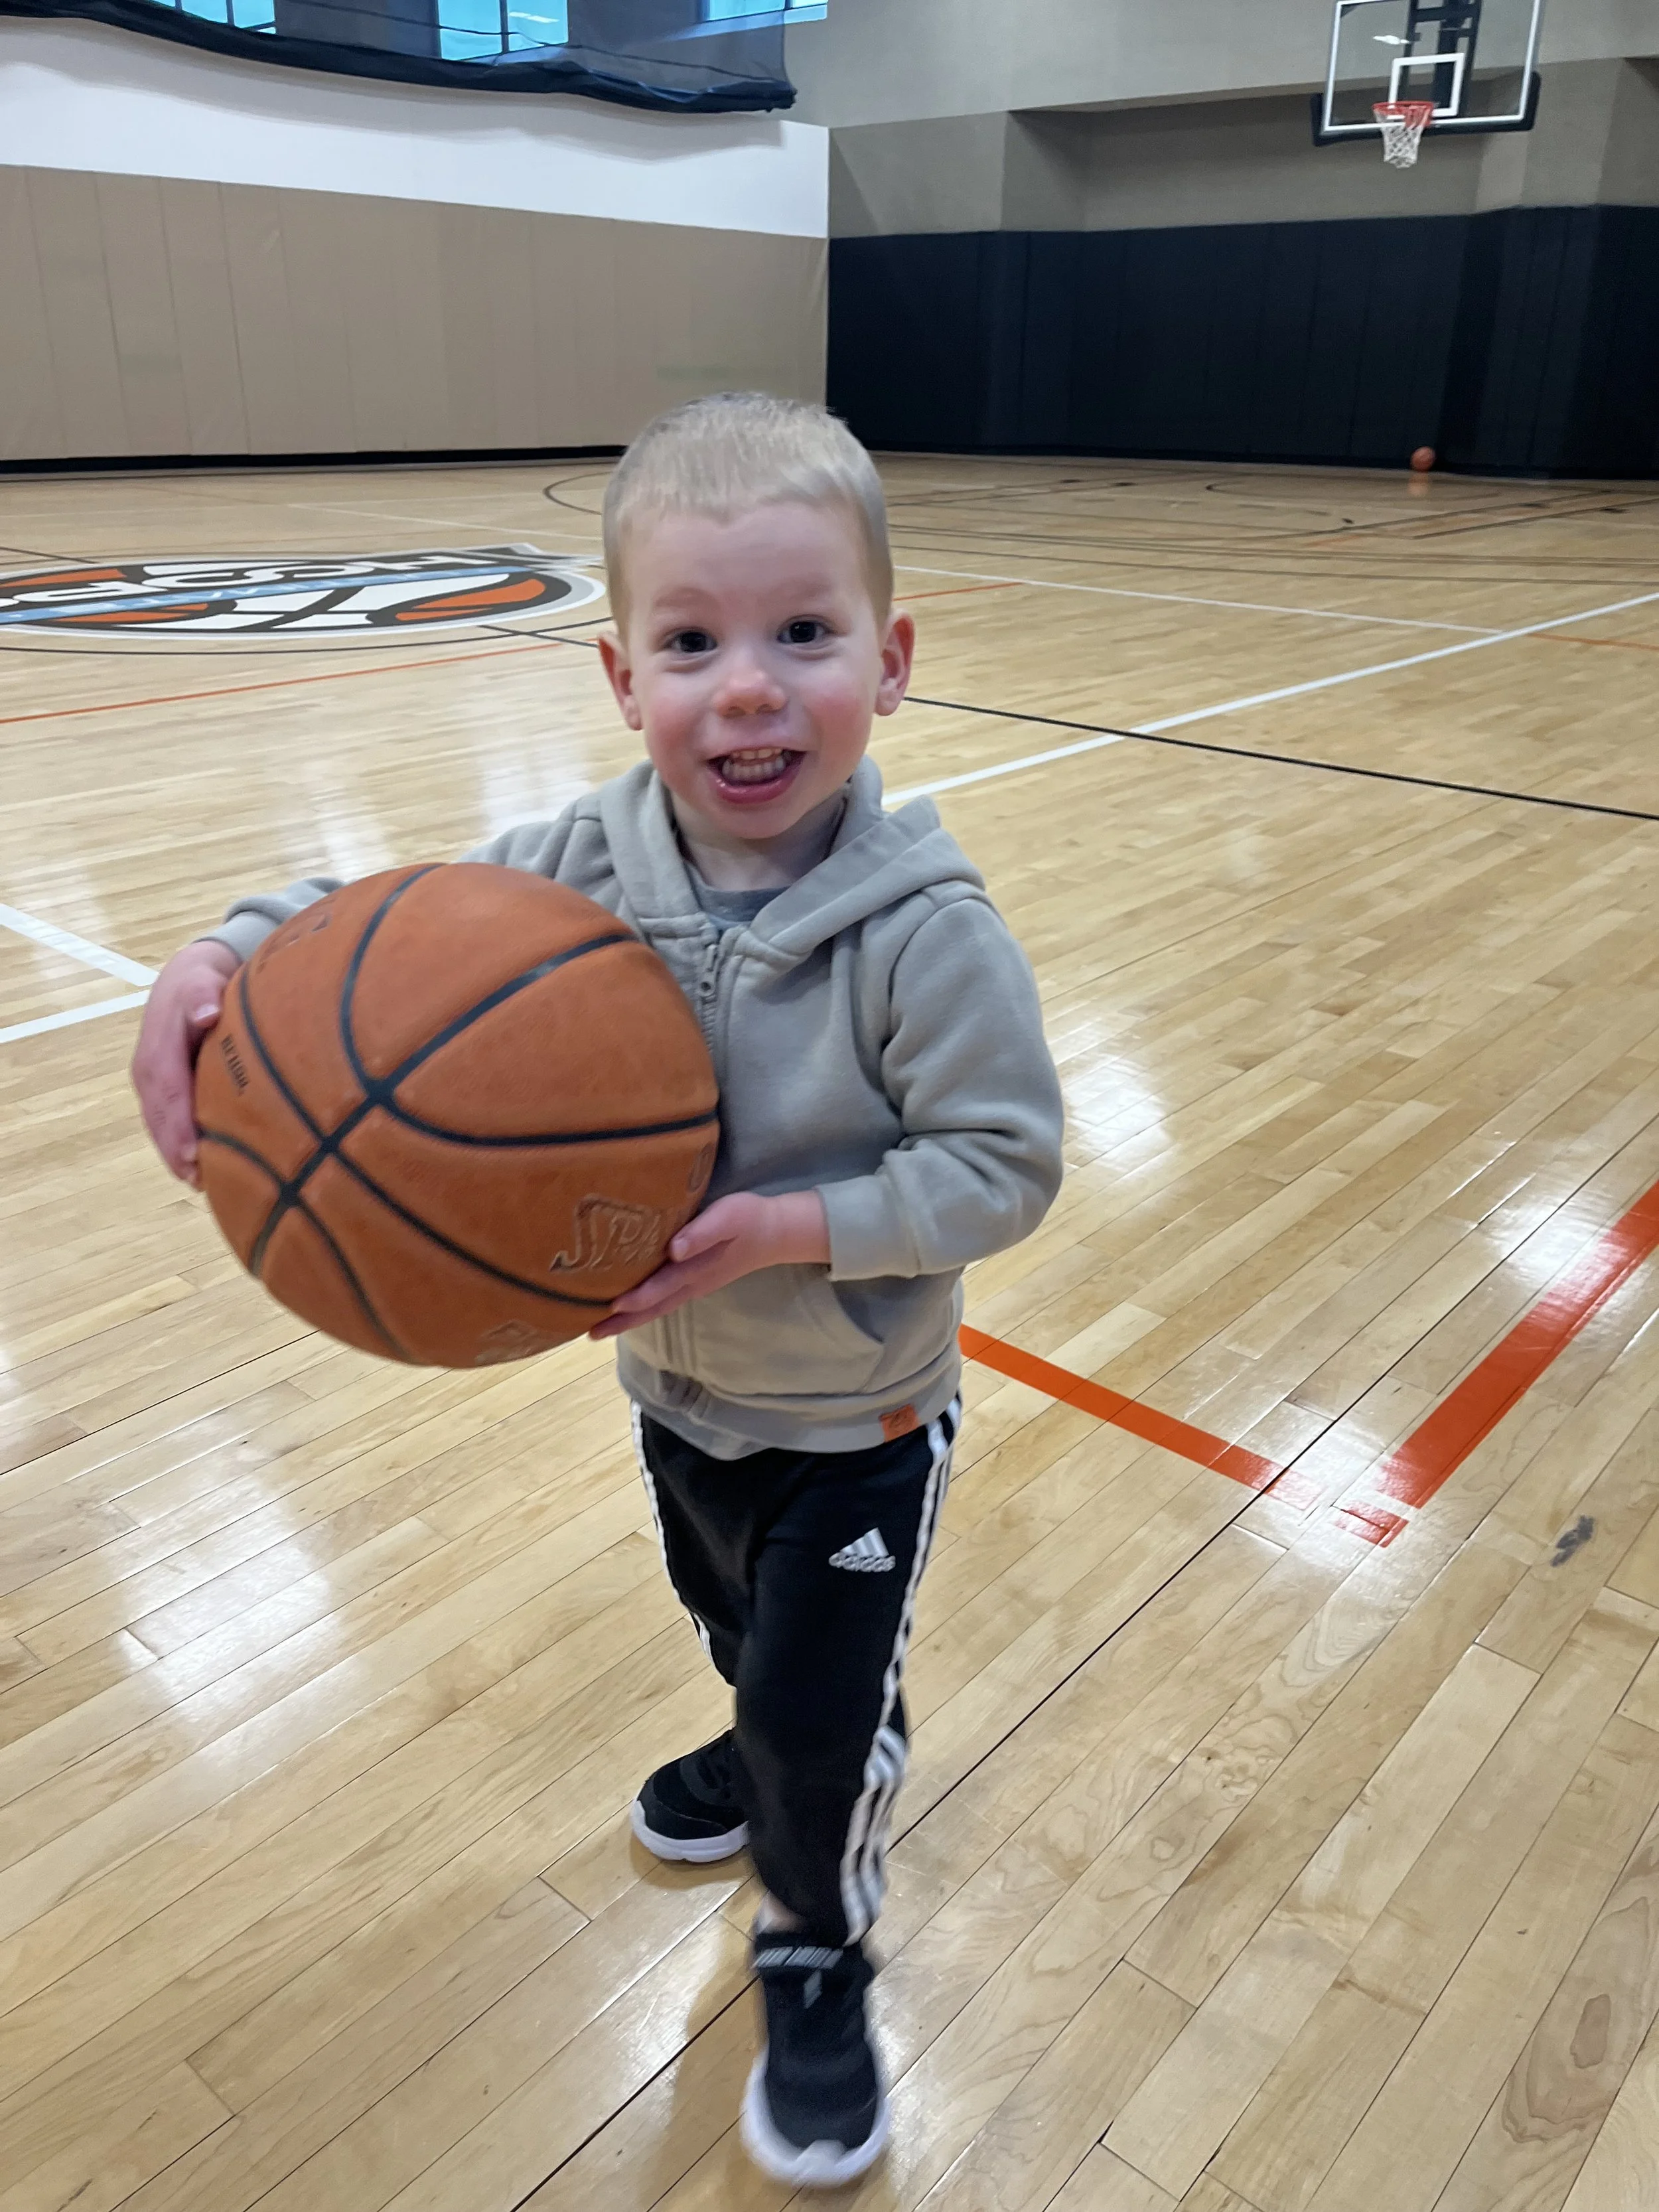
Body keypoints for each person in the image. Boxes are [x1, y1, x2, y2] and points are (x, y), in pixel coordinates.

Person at [131, 392, 1066, 2189]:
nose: (748, 686)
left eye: (803, 634)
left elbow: (1004, 1167)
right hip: (674, 1398)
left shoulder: (921, 928)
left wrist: (786, 1229)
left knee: (819, 1706)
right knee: (727, 1628)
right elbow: (373, 926)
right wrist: (228, 948)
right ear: (619, 676)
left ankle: (814, 1934)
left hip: (856, 1413)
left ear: (893, 656)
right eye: (692, 640)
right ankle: (770, 1725)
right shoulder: (576, 868)